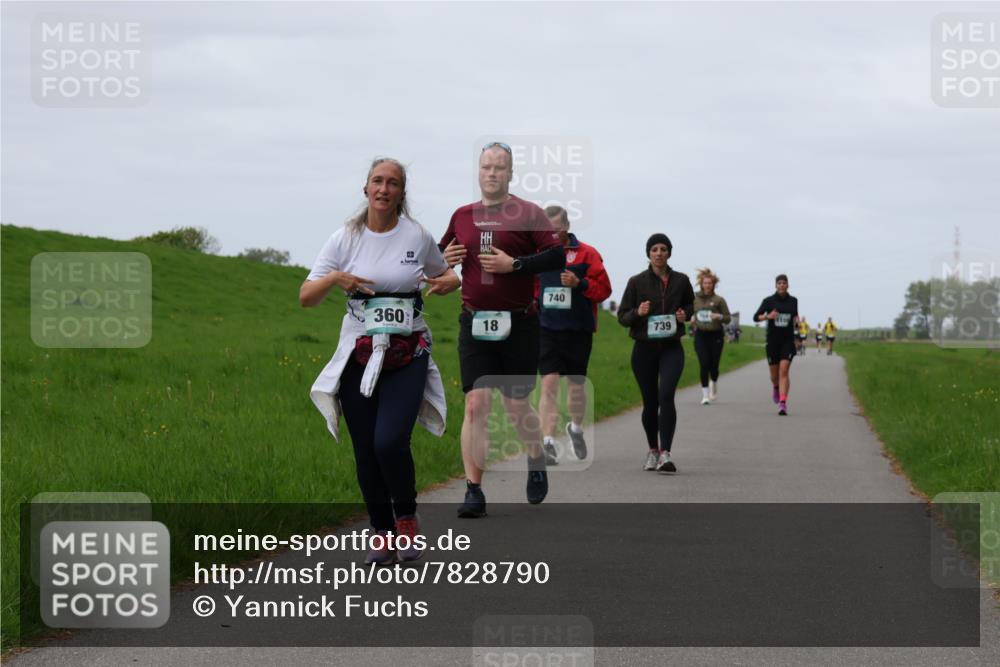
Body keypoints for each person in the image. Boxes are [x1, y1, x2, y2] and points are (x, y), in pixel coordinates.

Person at [304, 157, 461, 565]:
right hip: (358, 353)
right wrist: (336, 279)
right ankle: (381, 532)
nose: (384, 189)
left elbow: (447, 276)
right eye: (377, 181)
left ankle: (406, 519)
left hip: (408, 353)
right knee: (365, 449)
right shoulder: (344, 238)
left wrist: (447, 281)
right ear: (366, 189)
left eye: (393, 183)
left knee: (389, 441)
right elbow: (307, 296)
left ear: (401, 193)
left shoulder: (417, 236)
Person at [439, 142, 565, 518]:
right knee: (476, 404)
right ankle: (474, 490)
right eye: (486, 167)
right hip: (474, 320)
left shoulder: (529, 213)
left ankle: (535, 456)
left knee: (515, 405)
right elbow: (438, 255)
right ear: (478, 172)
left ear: (510, 174)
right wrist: (445, 259)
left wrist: (516, 265)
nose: (492, 173)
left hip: (520, 323)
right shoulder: (462, 215)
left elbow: (556, 255)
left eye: (499, 167)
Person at [535, 205, 612, 464]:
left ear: (566, 228)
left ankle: (576, 429)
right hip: (546, 330)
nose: (552, 236)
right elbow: (531, 286)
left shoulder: (588, 254)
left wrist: (580, 284)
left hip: (578, 330)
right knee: (549, 385)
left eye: (555, 230)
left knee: (576, 388)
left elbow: (604, 289)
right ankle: (547, 442)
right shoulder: (538, 254)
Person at [617, 234, 694, 473]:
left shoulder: (681, 280)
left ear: (669, 252)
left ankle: (666, 454)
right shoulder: (636, 282)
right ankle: (652, 450)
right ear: (648, 254)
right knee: (650, 403)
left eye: (663, 249)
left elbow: (691, 306)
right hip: (644, 350)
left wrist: (685, 315)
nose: (659, 253)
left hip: (671, 348)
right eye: (654, 249)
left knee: (666, 396)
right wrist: (638, 313)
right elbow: (622, 316)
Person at [753, 274, 799, 416]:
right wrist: (768, 316)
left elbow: (795, 316)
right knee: (774, 375)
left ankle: (783, 403)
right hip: (773, 341)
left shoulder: (793, 301)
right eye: (779, 283)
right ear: (775, 285)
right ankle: (775, 387)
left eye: (784, 283)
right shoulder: (768, 301)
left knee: (784, 371)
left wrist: (797, 322)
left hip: (787, 341)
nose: (781, 285)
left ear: (787, 285)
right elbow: (756, 317)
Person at [691, 267, 731, 405]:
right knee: (704, 364)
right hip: (701, 335)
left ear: (714, 284)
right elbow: (690, 312)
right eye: (705, 283)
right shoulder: (695, 299)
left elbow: (728, 318)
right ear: (701, 284)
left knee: (714, 366)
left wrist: (718, 316)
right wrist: (691, 318)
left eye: (710, 283)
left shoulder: (719, 300)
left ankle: (714, 380)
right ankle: (705, 395)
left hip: (716, 336)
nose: (707, 285)